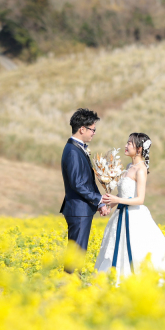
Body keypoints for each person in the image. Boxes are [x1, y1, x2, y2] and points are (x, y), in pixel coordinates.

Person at [95, 133, 165, 283]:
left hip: (134, 216)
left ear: (139, 149)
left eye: (130, 143)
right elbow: (124, 193)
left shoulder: (140, 169)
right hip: (121, 214)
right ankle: (116, 278)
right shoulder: (129, 166)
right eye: (127, 142)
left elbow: (140, 199)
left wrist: (117, 199)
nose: (126, 145)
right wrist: (110, 204)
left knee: (138, 250)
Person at [60, 108, 110, 256]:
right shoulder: (72, 151)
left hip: (81, 209)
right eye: (92, 130)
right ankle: (71, 280)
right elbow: (77, 184)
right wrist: (99, 198)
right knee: (76, 255)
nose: (94, 133)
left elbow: (88, 181)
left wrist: (99, 203)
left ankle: (73, 279)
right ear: (82, 129)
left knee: (78, 254)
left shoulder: (77, 149)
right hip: (78, 210)